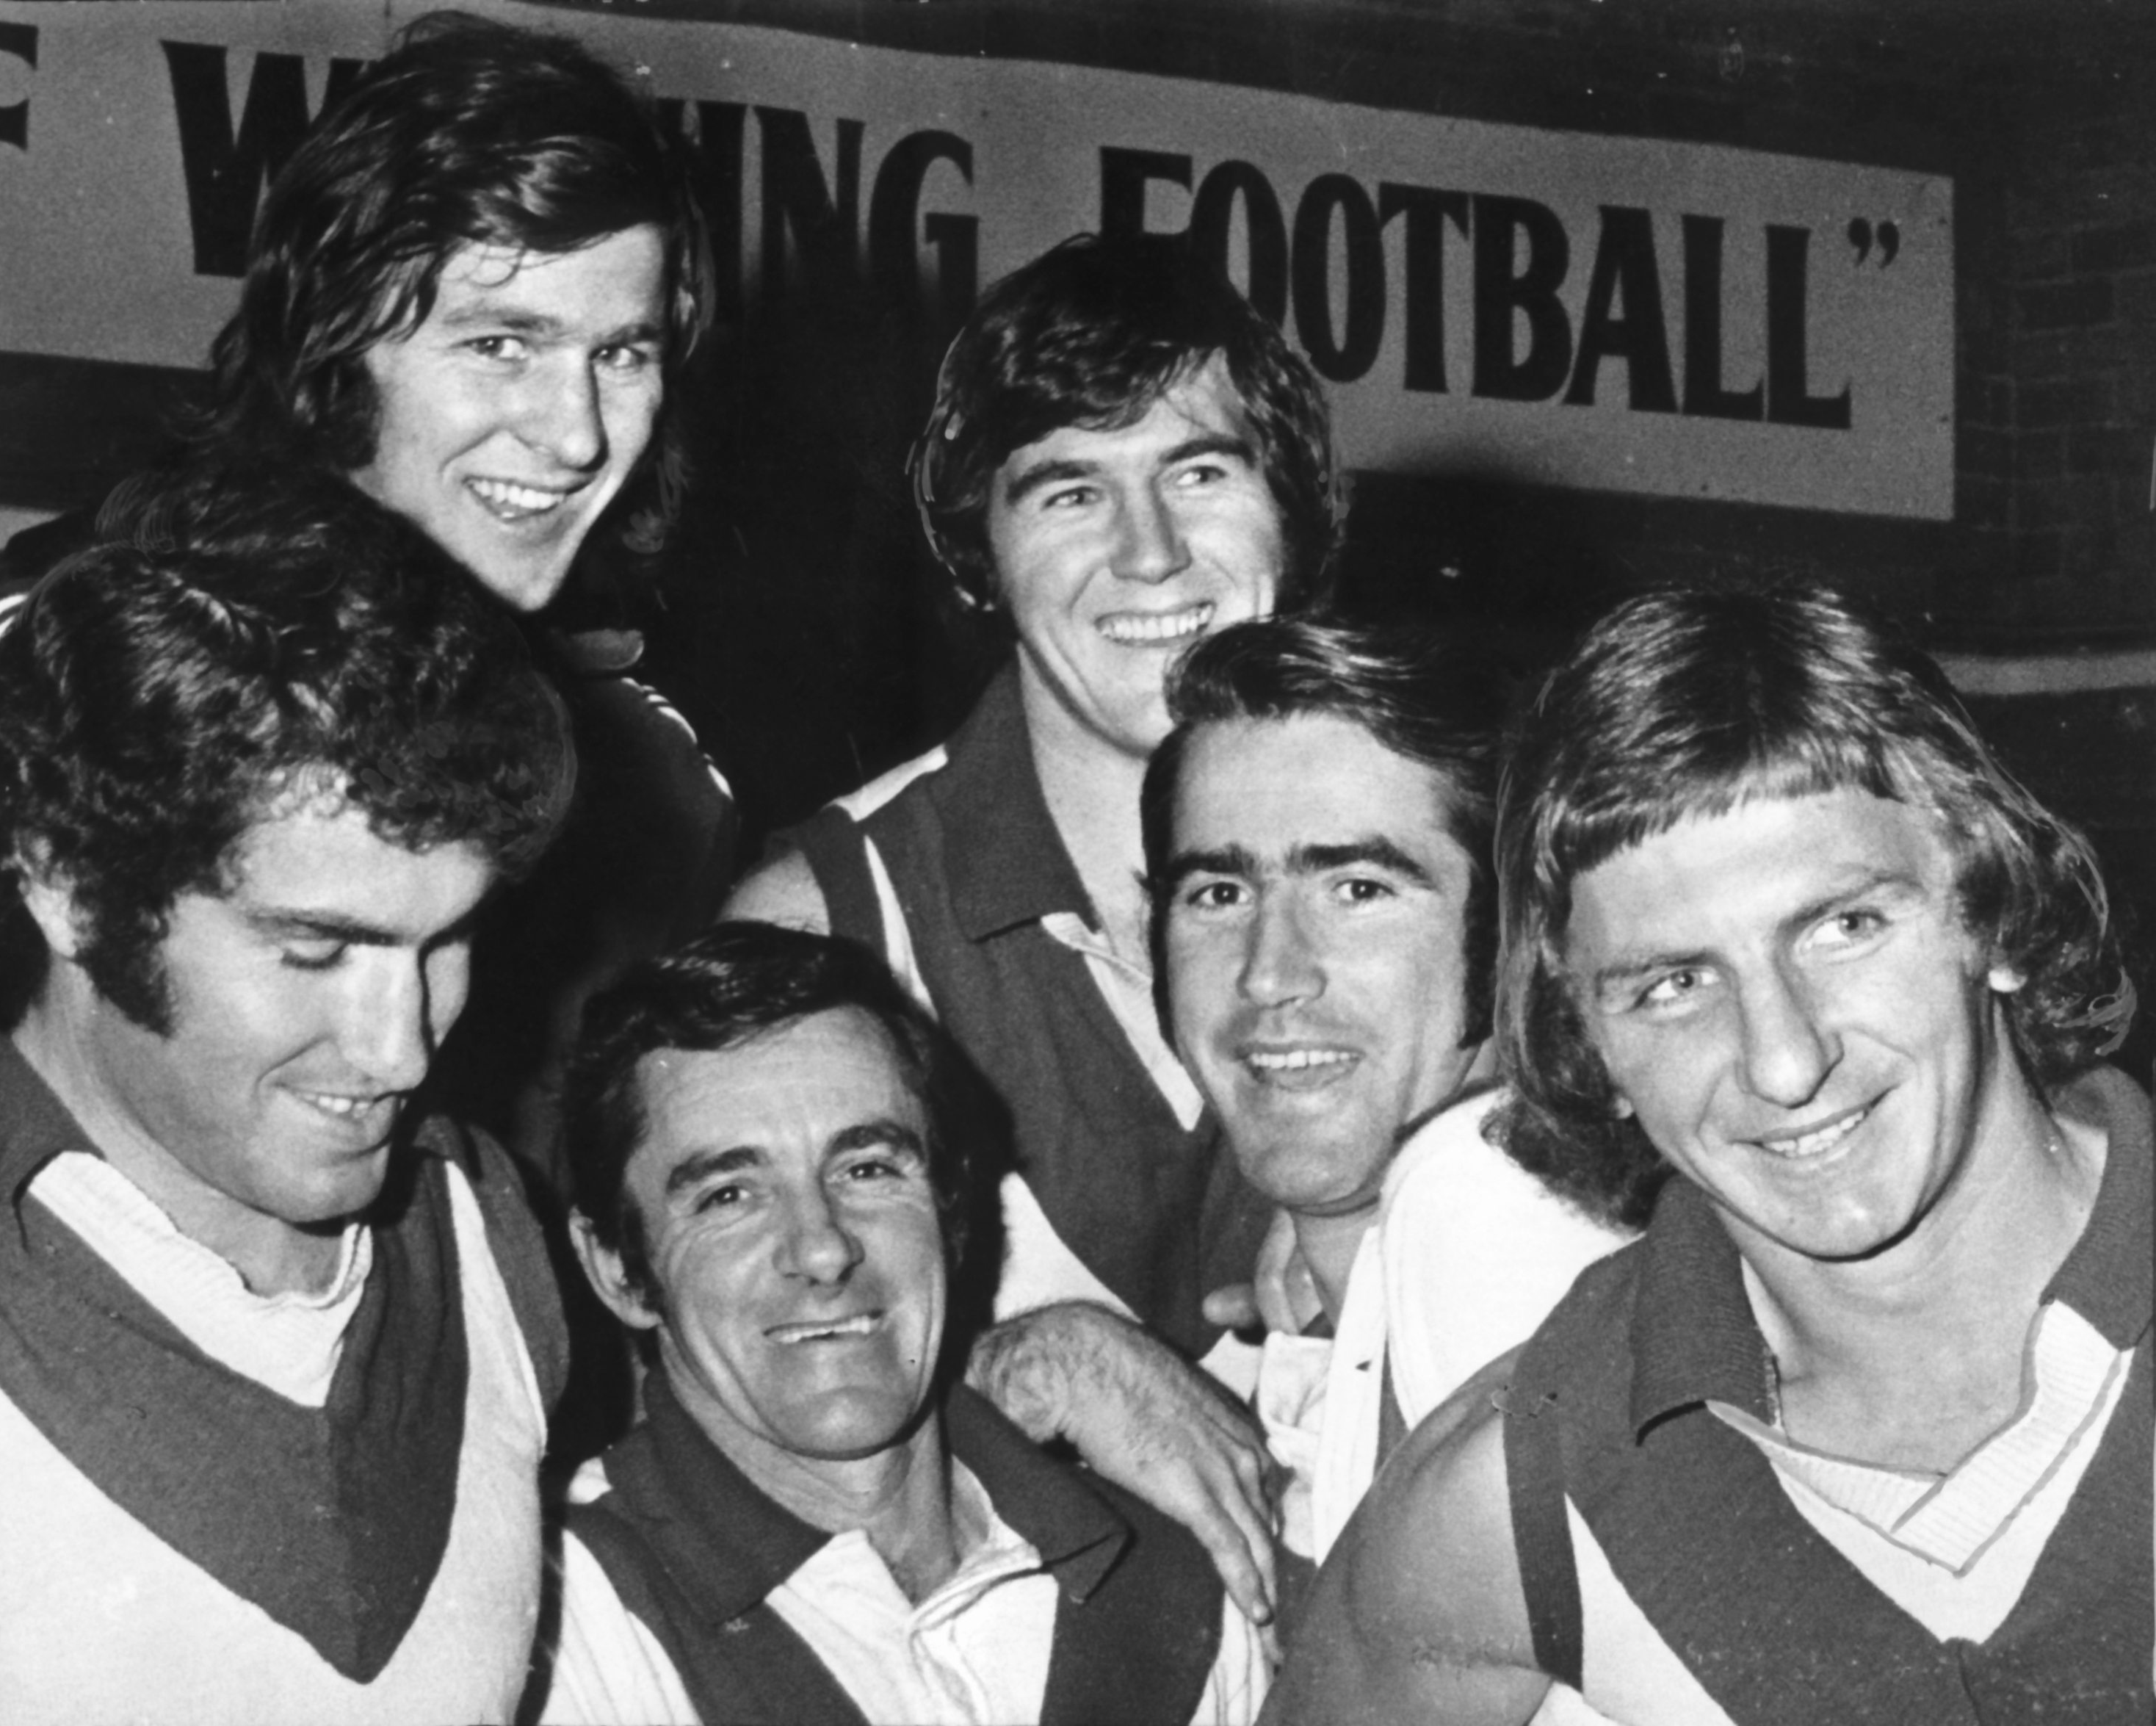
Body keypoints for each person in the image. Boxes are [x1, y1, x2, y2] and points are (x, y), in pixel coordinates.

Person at [0, 480, 579, 1723]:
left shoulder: (484, 1235)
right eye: (313, 950)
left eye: (446, 941)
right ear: (70, 887)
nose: (400, 1048)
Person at [1269, 581, 2151, 1723]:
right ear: (1587, 1045)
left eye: (1842, 926)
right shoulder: (1520, 1490)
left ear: (1991, 915)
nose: (1782, 1061)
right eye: (1672, 984)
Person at [0, 8, 734, 1182]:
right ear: (333, 347)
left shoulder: (653, 782)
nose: (576, 435)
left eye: (621, 354)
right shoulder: (49, 661)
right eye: (500, 344)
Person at [727, 231, 1343, 1618]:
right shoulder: (827, 925)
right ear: (980, 553)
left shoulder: (1445, 871)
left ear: (1288, 509)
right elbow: (706, 1429)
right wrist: (1016, 1369)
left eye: (1199, 471)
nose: (1149, 552)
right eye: (1070, 491)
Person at [539, 921, 1272, 1725]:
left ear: (952, 1215)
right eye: (729, 1196)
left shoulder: (1170, 1580)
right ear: (616, 1268)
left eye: (866, 1168)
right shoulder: (559, 1624)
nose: (823, 1248)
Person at [1143, 618, 1630, 1623]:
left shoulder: (1489, 1228)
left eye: (1357, 889)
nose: (1270, 972)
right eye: (1219, 892)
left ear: (1514, 935)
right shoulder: (1372, 1290)